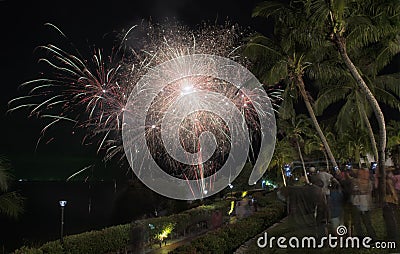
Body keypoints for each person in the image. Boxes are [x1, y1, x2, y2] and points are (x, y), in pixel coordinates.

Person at [350, 167, 376, 239]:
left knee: (367, 222)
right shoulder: (354, 181)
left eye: (366, 173)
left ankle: (372, 237)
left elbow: (367, 191)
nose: (364, 174)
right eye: (362, 173)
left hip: (365, 204)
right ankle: (361, 238)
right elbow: (354, 190)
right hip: (356, 204)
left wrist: (361, 191)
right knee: (357, 222)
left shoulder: (369, 182)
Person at [383, 168, 398, 242]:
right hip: (388, 201)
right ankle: (391, 235)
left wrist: (395, 199)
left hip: (389, 201)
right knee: (389, 219)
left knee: (391, 219)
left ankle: (393, 236)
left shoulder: (387, 181)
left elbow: (392, 191)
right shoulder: (387, 181)